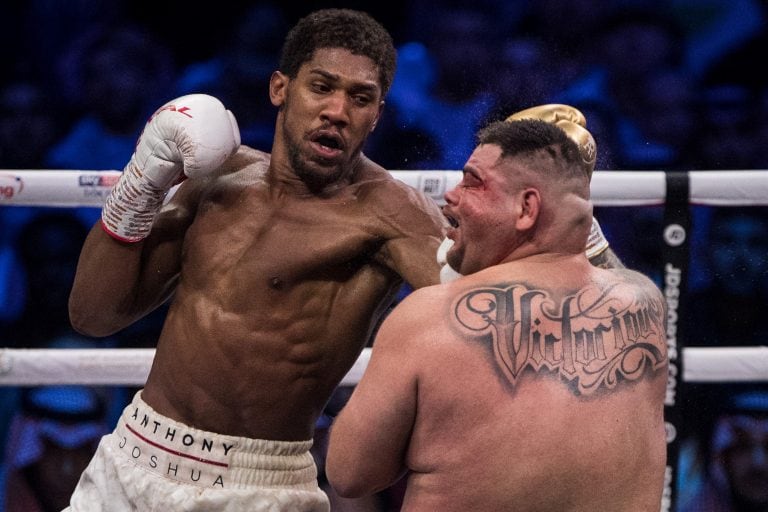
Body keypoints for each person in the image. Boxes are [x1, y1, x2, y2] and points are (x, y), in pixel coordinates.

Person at [65, 9, 446, 511]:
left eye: (360, 98)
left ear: (377, 115)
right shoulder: (216, 180)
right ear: (279, 88)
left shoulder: (392, 216)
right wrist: (142, 181)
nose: (337, 110)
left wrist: (575, 249)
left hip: (257, 484)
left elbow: (485, 309)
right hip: (133, 456)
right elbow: (94, 315)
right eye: (322, 87)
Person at [326, 109, 669, 511]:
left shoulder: (427, 316)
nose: (451, 195)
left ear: (526, 209)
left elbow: (349, 473)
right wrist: (575, 214)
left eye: (473, 183)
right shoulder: (644, 304)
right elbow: (609, 275)